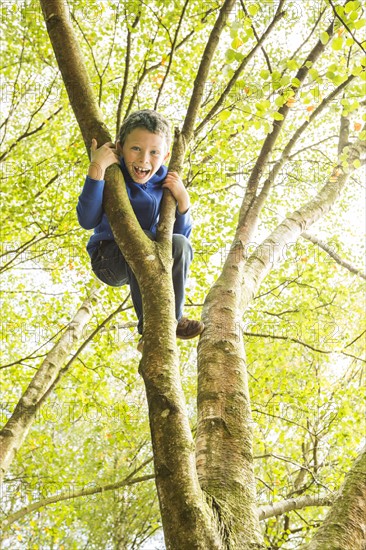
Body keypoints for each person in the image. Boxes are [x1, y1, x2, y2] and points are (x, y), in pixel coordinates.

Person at [77, 109, 204, 351]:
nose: (145, 160)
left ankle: (171, 320)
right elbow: (87, 219)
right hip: (109, 258)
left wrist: (183, 201)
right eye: (136, 149)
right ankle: (150, 328)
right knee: (143, 237)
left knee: (179, 244)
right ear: (120, 147)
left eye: (154, 152)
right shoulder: (113, 173)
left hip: (147, 256)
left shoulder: (165, 182)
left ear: (165, 155)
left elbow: (180, 244)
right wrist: (97, 169)